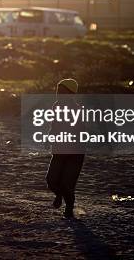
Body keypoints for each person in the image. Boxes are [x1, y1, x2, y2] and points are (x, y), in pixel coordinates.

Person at [45, 78, 85, 219]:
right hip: (59, 151)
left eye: (61, 91)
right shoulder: (56, 106)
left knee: (67, 184)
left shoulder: (78, 110)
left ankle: (69, 207)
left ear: (70, 93)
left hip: (75, 153)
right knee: (51, 180)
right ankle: (59, 195)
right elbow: (54, 126)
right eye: (57, 91)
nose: (58, 94)